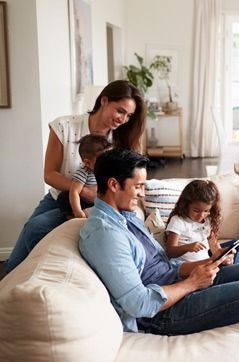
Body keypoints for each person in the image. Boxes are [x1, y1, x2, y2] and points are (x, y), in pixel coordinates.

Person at [78, 149, 239, 362]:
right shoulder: (105, 235)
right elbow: (138, 304)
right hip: (163, 313)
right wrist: (193, 283)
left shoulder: (126, 216)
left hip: (178, 282)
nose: (142, 193)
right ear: (114, 185)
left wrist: (209, 262)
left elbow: (165, 266)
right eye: (138, 186)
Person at [5, 80, 146, 274]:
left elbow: (129, 182)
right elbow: (50, 174)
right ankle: (16, 286)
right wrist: (82, 190)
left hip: (99, 204)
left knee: (37, 227)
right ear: (104, 101)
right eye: (120, 111)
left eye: (129, 115)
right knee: (19, 253)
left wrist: (97, 196)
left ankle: (37, 276)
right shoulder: (64, 126)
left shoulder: (122, 139)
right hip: (60, 196)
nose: (123, 119)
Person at [165, 179, 239, 263]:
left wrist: (223, 257)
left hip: (208, 263)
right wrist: (187, 247)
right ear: (186, 205)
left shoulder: (207, 220)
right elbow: (170, 252)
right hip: (190, 268)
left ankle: (231, 269)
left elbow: (215, 249)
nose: (201, 215)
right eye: (196, 211)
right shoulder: (178, 221)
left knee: (238, 246)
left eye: (206, 211)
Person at [57, 134, 112, 219]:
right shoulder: (83, 173)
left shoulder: (107, 171)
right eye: (102, 161)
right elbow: (74, 192)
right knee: (64, 196)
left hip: (99, 202)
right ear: (87, 163)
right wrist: (77, 210)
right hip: (83, 202)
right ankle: (71, 216)